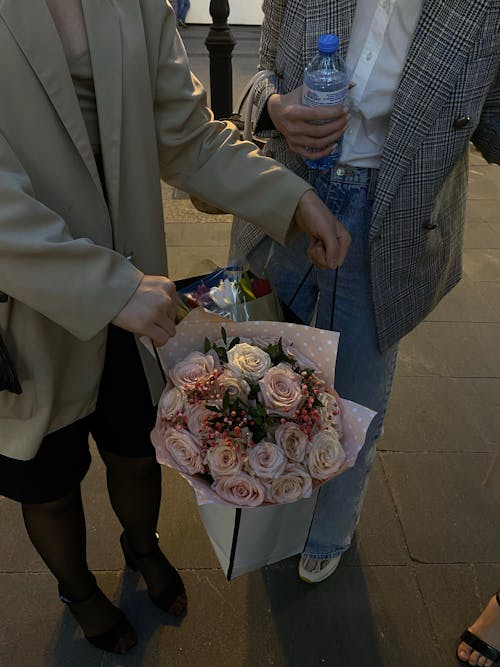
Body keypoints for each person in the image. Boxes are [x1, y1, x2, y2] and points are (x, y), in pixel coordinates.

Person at [0, 0, 351, 655]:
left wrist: (289, 196)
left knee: (140, 451)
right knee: (45, 484)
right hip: (26, 305)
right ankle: (77, 590)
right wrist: (108, 287)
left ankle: (143, 545)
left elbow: (187, 135)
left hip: (142, 296)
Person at [231, 0, 500, 583]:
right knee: (259, 371)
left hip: (394, 214)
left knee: (354, 401)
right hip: (286, 191)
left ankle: (328, 530)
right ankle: (259, 501)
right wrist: (275, 108)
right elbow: (262, 72)